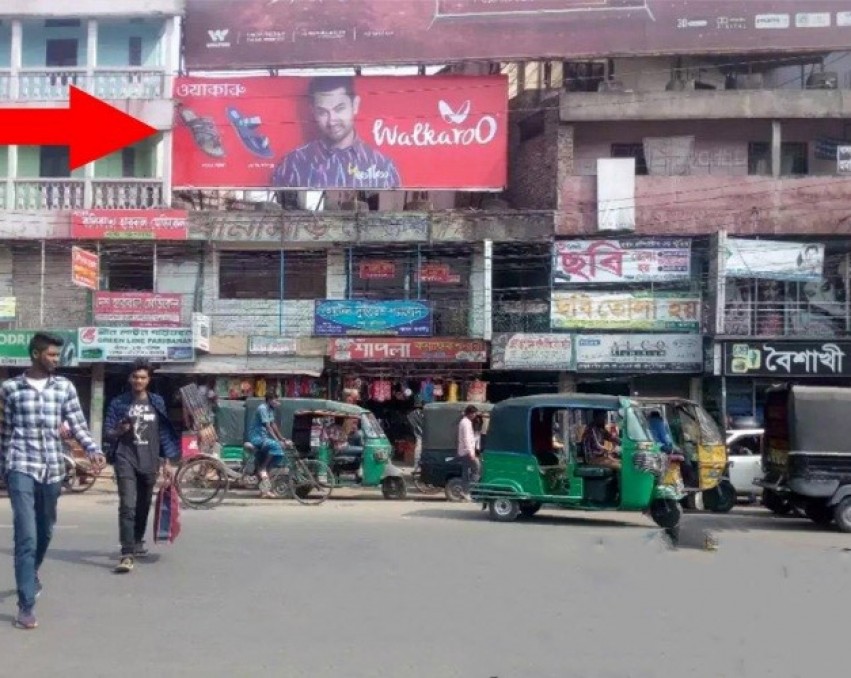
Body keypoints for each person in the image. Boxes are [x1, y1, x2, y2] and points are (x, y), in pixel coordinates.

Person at [0, 332, 106, 629]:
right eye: (51, 355)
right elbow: (5, 431)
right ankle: (26, 605)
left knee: (45, 530)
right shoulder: (10, 389)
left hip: (52, 469)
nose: (56, 360)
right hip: (20, 465)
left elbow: (77, 424)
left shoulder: (64, 387)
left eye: (58, 355)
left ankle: (31, 571)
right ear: (35, 354)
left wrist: (92, 449)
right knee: (26, 535)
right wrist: (3, 467)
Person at [103, 359, 180, 574]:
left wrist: (167, 461)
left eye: (143, 377)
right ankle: (126, 553)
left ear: (148, 380)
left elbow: (163, 433)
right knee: (127, 505)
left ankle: (137, 540)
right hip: (125, 458)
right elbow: (108, 431)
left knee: (144, 505)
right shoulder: (119, 403)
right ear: (130, 379)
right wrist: (119, 429)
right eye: (135, 377)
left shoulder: (157, 402)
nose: (139, 380)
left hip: (150, 460)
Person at [272, 76, 401, 189]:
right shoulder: (293, 164)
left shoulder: (382, 165)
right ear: (313, 111)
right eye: (322, 112)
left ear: (355, 105)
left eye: (339, 109)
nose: (331, 121)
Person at [248, 392, 291, 499]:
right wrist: (278, 441)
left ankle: (264, 489)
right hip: (257, 438)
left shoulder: (270, 410)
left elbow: (273, 424)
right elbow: (268, 426)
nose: (277, 402)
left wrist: (281, 438)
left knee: (276, 447)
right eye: (276, 400)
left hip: (264, 438)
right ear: (270, 400)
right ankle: (263, 468)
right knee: (276, 447)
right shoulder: (262, 408)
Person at [457, 405, 480, 498]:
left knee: (466, 472)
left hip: (465, 451)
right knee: (477, 468)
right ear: (470, 413)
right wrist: (471, 453)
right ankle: (469, 489)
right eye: (474, 413)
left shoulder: (466, 422)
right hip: (466, 451)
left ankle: (466, 491)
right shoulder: (465, 423)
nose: (475, 415)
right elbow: (466, 438)